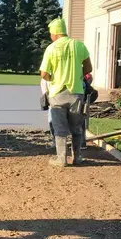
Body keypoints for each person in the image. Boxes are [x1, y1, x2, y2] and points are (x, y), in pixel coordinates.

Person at [39, 17, 93, 167]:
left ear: (55, 33)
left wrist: (53, 79)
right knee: (76, 126)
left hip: (57, 93)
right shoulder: (79, 45)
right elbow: (88, 68)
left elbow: (43, 73)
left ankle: (61, 159)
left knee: (59, 127)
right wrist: (78, 74)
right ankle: (77, 158)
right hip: (76, 92)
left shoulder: (51, 48)